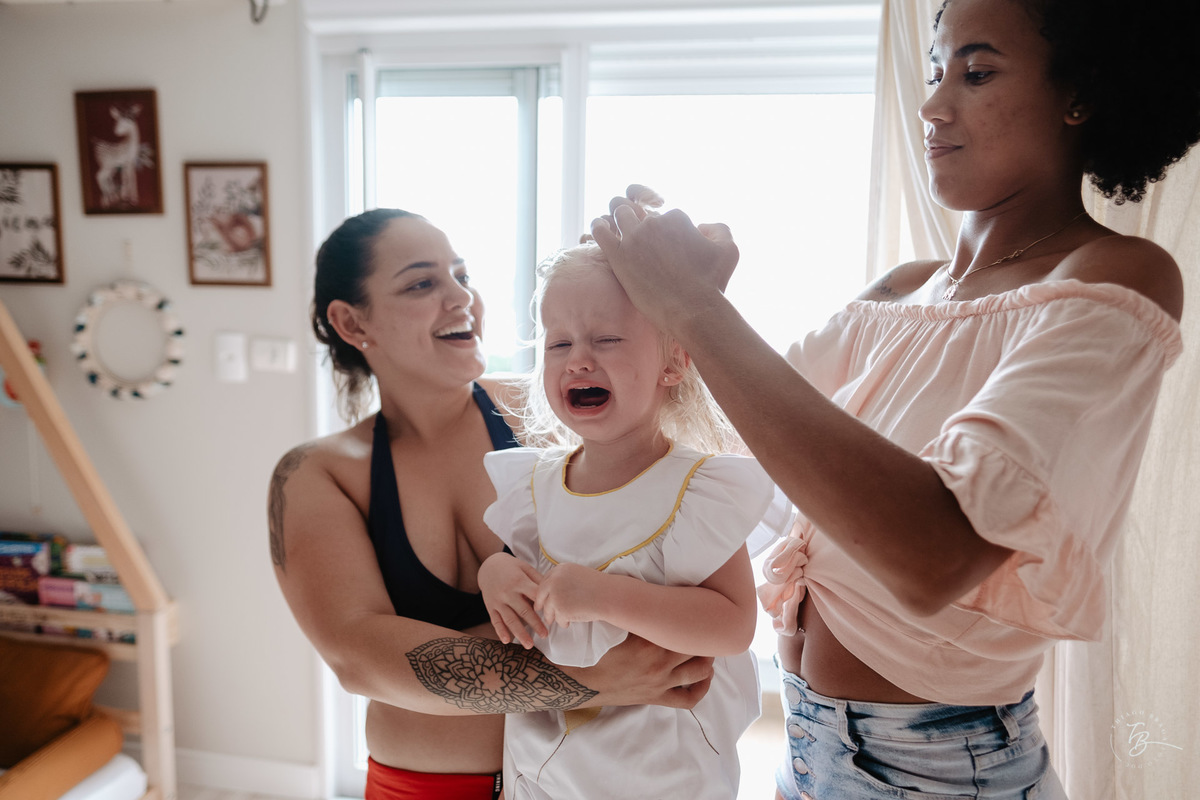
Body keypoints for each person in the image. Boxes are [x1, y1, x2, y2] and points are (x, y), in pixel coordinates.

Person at [589, 0, 1200, 797]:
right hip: (805, 752)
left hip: (938, 773)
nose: (933, 105)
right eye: (937, 70)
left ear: (1079, 92)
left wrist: (698, 311)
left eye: (977, 73)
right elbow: (730, 462)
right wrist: (669, 315)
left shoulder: (1113, 276)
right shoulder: (902, 291)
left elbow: (934, 557)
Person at [268, 208, 715, 800]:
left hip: (583, 780)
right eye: (422, 283)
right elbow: (360, 656)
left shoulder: (545, 414)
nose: (461, 298)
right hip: (424, 787)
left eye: (461, 275)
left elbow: (690, 493)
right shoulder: (318, 474)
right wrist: (589, 680)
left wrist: (647, 294)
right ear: (351, 322)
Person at [477, 212, 793, 799]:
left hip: (662, 776)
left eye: (606, 340)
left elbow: (731, 626)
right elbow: (524, 581)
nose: (577, 360)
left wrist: (603, 596)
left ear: (673, 362)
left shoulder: (695, 490)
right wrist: (495, 574)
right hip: (545, 773)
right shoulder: (534, 487)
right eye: (559, 343)